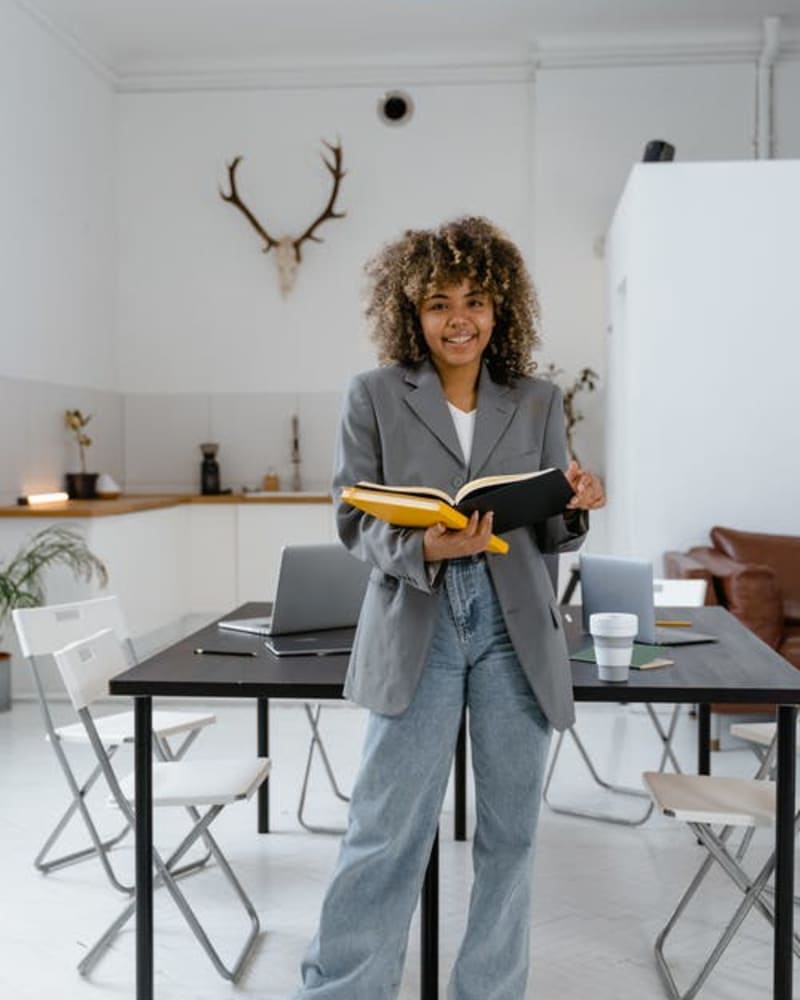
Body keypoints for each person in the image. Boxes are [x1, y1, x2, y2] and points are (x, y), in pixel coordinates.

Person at [291, 216, 605, 1000]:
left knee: (511, 835)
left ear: (501, 308)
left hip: (514, 624)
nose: (458, 318)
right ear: (411, 311)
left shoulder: (536, 400)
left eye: (474, 299)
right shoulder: (372, 395)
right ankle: (341, 989)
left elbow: (551, 528)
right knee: (385, 829)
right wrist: (427, 550)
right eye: (438, 303)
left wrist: (578, 504)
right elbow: (351, 517)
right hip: (419, 617)